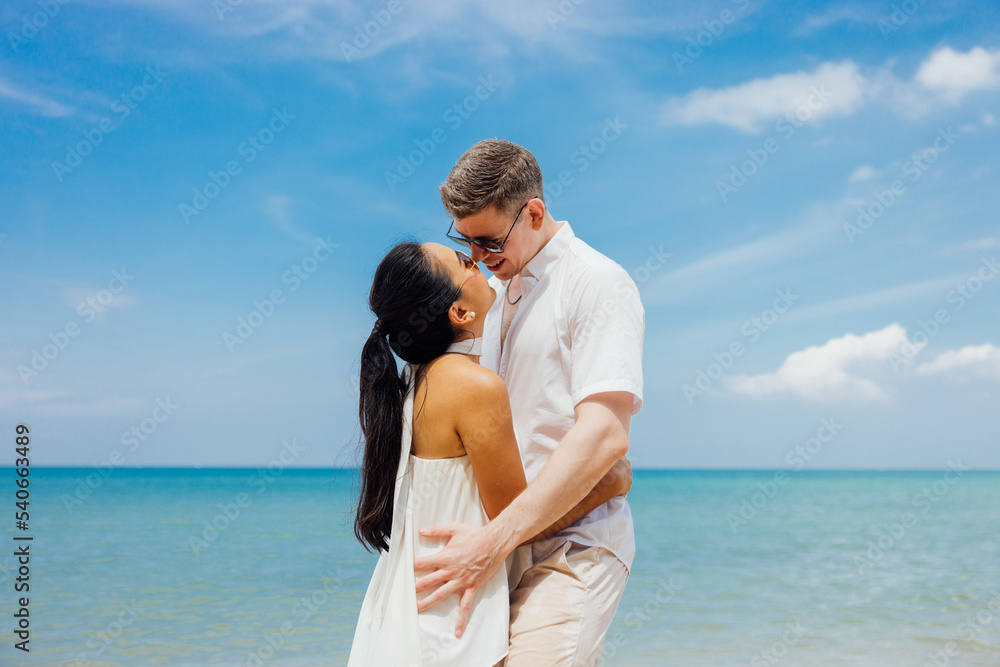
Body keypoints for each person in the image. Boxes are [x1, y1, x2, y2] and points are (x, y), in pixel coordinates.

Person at [414, 139, 645, 665]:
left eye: (489, 241)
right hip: (499, 553)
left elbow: (606, 433)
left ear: (534, 213)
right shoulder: (493, 297)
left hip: (574, 548)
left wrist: (492, 541)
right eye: (465, 241)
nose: (478, 258)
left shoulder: (596, 282)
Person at [347, 240, 632, 666]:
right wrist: (608, 484)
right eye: (466, 263)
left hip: (405, 610)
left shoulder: (412, 384)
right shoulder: (474, 387)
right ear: (460, 313)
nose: (478, 260)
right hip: (449, 623)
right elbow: (517, 523)